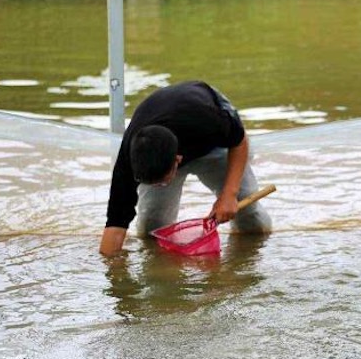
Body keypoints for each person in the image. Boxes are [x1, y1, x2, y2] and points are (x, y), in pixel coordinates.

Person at [99, 81, 272, 257]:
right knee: (152, 228)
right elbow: (115, 222)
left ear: (178, 161)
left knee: (249, 219)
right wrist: (112, 270)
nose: (160, 187)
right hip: (167, 140)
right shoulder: (130, 160)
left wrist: (229, 194)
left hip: (213, 144)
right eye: (153, 183)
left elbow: (239, 142)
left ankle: (250, 255)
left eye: (163, 182)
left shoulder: (209, 120)